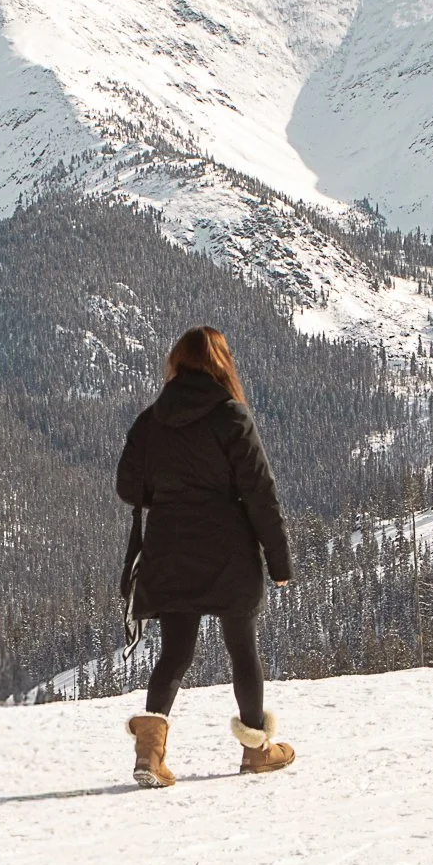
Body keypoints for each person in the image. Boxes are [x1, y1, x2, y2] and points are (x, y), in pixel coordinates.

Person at [116, 326, 295, 787]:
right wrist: (278, 561)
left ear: (176, 363)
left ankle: (149, 754)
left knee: (175, 651)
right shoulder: (230, 415)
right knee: (242, 647)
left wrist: (170, 491)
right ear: (221, 363)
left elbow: (128, 489)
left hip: (169, 546)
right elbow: (260, 491)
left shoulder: (150, 420)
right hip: (228, 548)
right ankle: (257, 751)